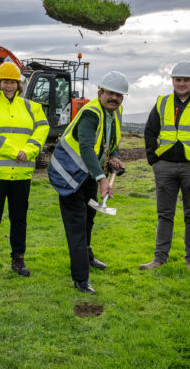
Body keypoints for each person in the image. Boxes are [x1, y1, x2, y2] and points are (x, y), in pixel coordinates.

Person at [48, 71, 127, 294]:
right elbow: (85, 148)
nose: (115, 98)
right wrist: (103, 179)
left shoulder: (111, 114)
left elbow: (109, 141)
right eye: (111, 93)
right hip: (69, 176)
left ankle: (87, 256)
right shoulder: (92, 113)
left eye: (119, 95)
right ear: (100, 93)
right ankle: (81, 279)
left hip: (87, 177)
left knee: (88, 221)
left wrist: (114, 157)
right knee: (76, 226)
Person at [0, 62, 49, 277]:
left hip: (21, 173)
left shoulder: (31, 107)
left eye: (13, 82)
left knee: (19, 218)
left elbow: (42, 129)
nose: (9, 86)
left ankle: (18, 260)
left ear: (19, 85)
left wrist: (29, 150)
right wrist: (13, 151)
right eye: (5, 81)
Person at [140, 61, 190, 272]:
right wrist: (153, 161)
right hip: (164, 167)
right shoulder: (162, 102)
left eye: (186, 80)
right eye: (178, 79)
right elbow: (150, 132)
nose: (181, 83)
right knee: (165, 214)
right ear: (173, 81)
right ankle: (158, 259)